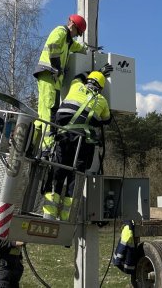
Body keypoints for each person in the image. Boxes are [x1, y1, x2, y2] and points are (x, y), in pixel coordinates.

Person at [41, 69, 112, 221]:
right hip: (82, 142)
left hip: (64, 137)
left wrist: (96, 70)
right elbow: (107, 119)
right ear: (101, 87)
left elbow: (77, 76)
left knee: (57, 172)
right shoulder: (102, 100)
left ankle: (49, 214)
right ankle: (67, 216)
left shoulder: (75, 86)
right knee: (76, 177)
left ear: (88, 81)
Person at [33, 14, 88, 151]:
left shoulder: (68, 41)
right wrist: (57, 67)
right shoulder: (61, 31)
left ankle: (29, 145)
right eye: (78, 33)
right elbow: (53, 46)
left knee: (42, 115)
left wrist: (88, 49)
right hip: (49, 76)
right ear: (73, 26)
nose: (77, 36)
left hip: (51, 80)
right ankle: (47, 147)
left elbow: (79, 47)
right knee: (50, 112)